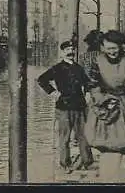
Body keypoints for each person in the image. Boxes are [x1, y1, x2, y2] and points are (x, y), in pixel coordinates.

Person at [84, 30, 125, 182]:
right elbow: (93, 84)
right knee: (109, 148)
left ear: (121, 46)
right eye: (108, 48)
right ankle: (108, 179)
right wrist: (102, 99)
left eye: (114, 48)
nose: (111, 52)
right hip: (107, 107)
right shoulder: (97, 61)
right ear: (103, 47)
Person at [37, 40, 94, 173]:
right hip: (63, 107)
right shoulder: (56, 68)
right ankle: (65, 164)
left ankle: (88, 162)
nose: (70, 52)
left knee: (84, 135)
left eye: (72, 49)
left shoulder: (79, 68)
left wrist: (88, 93)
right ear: (62, 52)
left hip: (80, 106)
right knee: (64, 137)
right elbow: (41, 79)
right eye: (67, 50)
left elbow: (87, 83)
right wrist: (53, 92)